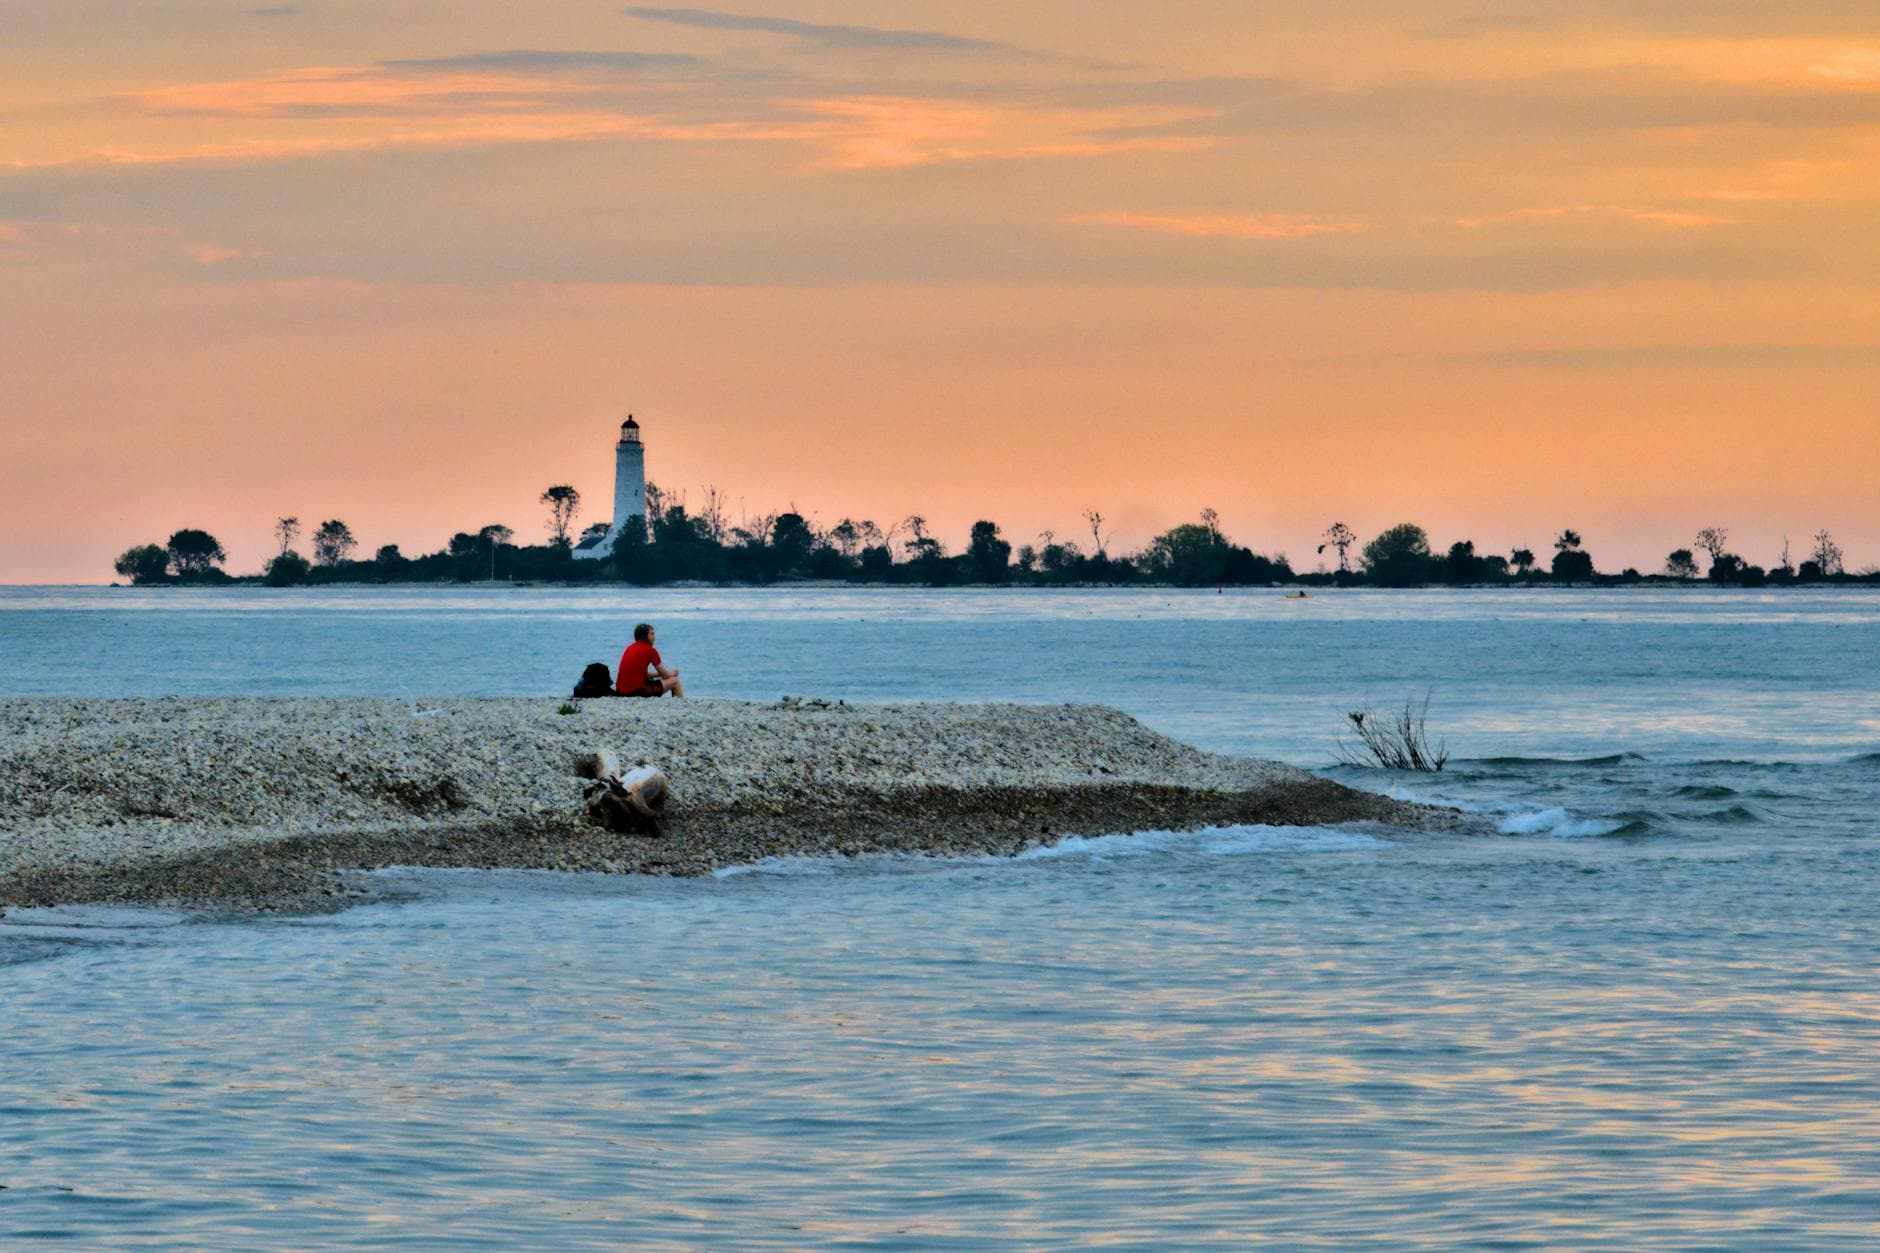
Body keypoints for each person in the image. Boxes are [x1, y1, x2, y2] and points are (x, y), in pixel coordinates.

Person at [615, 622, 684, 698]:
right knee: (675, 681)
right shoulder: (650, 650)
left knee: (650, 679)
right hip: (636, 692)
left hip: (620, 692)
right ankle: (680, 705)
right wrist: (671, 673)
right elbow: (665, 675)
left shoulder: (630, 647)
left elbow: (642, 674)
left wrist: (657, 675)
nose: (654, 637)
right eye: (651, 634)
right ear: (644, 636)